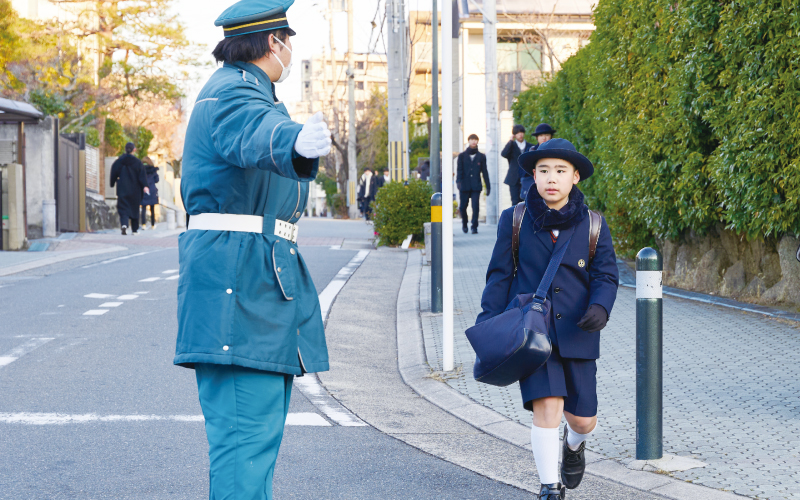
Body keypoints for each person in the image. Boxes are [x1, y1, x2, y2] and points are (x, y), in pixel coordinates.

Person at [173, 1, 332, 499]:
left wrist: (291, 140)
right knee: (246, 445)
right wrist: (294, 142)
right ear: (272, 42)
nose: (290, 49)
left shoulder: (246, 90)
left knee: (254, 443)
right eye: (289, 40)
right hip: (239, 283)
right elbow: (253, 133)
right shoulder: (233, 92)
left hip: (250, 281)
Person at [476, 138, 619, 499]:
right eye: (543, 171)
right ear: (534, 177)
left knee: (582, 419)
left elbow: (605, 275)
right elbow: (499, 274)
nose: (551, 178)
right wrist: (488, 323)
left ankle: (574, 447)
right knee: (547, 408)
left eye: (559, 171)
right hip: (531, 334)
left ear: (575, 178)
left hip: (578, 332)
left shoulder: (594, 224)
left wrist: (601, 308)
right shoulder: (516, 219)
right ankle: (549, 488)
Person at [109, 142, 150, 235]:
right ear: (134, 150)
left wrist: (112, 183)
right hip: (135, 190)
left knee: (123, 208)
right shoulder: (138, 163)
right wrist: (145, 185)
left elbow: (113, 171)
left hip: (122, 188)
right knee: (134, 208)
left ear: (125, 149)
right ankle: (134, 230)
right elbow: (142, 176)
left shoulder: (119, 161)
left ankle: (124, 224)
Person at [456, 133, 490, 234]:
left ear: (477, 141)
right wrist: (459, 182)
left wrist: (488, 186)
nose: (473, 141)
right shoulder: (462, 156)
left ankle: (474, 227)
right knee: (463, 207)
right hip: (464, 186)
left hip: (476, 186)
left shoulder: (481, 156)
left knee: (475, 207)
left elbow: (485, 172)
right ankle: (464, 223)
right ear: (468, 141)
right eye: (471, 139)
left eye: (475, 139)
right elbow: (459, 170)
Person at [520, 123, 556, 200]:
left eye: (547, 135)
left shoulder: (557, 151)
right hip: (534, 187)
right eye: (541, 135)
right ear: (537, 137)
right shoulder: (531, 151)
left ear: (551, 136)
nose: (544, 138)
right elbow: (524, 172)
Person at [501, 124, 533, 205]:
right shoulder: (511, 146)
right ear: (514, 135)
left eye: (522, 132)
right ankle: (515, 218)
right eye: (518, 133)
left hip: (527, 177)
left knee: (528, 201)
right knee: (515, 202)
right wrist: (510, 141)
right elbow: (504, 154)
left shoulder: (530, 146)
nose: (520, 135)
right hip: (513, 178)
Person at [140, 157, 159, 230]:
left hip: (144, 189)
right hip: (152, 190)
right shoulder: (153, 170)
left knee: (143, 208)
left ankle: (143, 224)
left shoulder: (140, 170)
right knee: (152, 208)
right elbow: (157, 180)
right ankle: (153, 224)